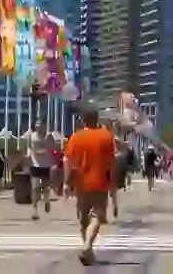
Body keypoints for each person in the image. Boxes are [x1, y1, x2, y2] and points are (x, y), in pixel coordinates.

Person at [64, 107, 117, 266]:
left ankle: (88, 251)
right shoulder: (107, 136)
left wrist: (67, 182)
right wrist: (113, 183)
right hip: (100, 182)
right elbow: (111, 162)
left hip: (80, 183)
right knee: (97, 217)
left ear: (83, 120)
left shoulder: (75, 137)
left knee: (84, 220)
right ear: (97, 119)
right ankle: (87, 246)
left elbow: (67, 159)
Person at [27, 120, 56, 220]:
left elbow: (55, 147)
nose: (38, 126)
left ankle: (47, 201)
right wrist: (28, 156)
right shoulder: (32, 136)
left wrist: (48, 146)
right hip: (35, 164)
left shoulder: (49, 136)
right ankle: (34, 211)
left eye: (40, 124)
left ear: (44, 126)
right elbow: (29, 147)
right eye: (37, 124)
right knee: (35, 187)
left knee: (45, 188)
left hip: (46, 165)